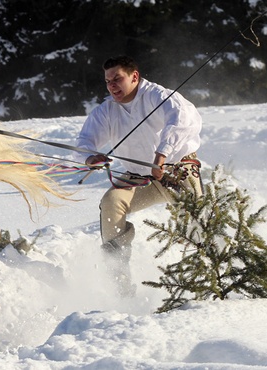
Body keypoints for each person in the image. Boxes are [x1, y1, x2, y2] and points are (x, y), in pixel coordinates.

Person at [74, 56, 203, 297]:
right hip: (140, 177)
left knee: (198, 223)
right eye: (107, 81)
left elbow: (183, 120)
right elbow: (85, 140)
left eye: (117, 79)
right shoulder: (106, 110)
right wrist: (91, 157)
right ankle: (120, 285)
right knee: (111, 204)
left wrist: (162, 155)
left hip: (176, 170)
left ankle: (205, 280)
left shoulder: (158, 95)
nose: (112, 85)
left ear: (134, 77)